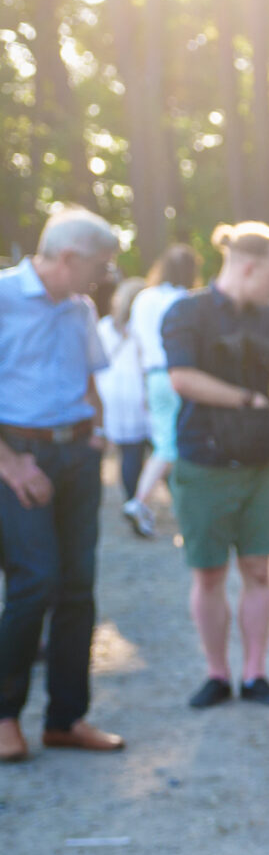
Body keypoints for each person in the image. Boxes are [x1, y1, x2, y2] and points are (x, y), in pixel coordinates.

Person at [0, 206, 127, 762]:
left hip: (76, 454)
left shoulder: (80, 309)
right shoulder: (2, 297)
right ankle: (4, 716)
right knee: (35, 581)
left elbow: (91, 377)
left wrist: (94, 433)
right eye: (99, 266)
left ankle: (65, 718)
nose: (103, 277)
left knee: (79, 586)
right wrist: (12, 465)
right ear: (70, 258)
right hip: (18, 458)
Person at [164, 222, 269, 710]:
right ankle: (217, 673)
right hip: (204, 461)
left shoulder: (268, 315)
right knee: (208, 575)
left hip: (258, 463)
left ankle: (256, 673)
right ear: (248, 267)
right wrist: (245, 397)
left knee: (259, 570)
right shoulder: (188, 312)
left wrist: (259, 343)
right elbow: (182, 378)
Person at [122, 242, 200, 539]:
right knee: (173, 445)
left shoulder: (143, 298)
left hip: (153, 377)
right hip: (179, 374)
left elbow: (137, 340)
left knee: (166, 441)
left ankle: (163, 503)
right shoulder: (185, 300)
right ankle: (141, 501)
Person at [96, 276, 153, 520]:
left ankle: (132, 500)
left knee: (129, 452)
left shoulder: (104, 326)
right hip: (138, 392)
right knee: (162, 448)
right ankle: (139, 501)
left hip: (111, 392)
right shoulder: (144, 329)